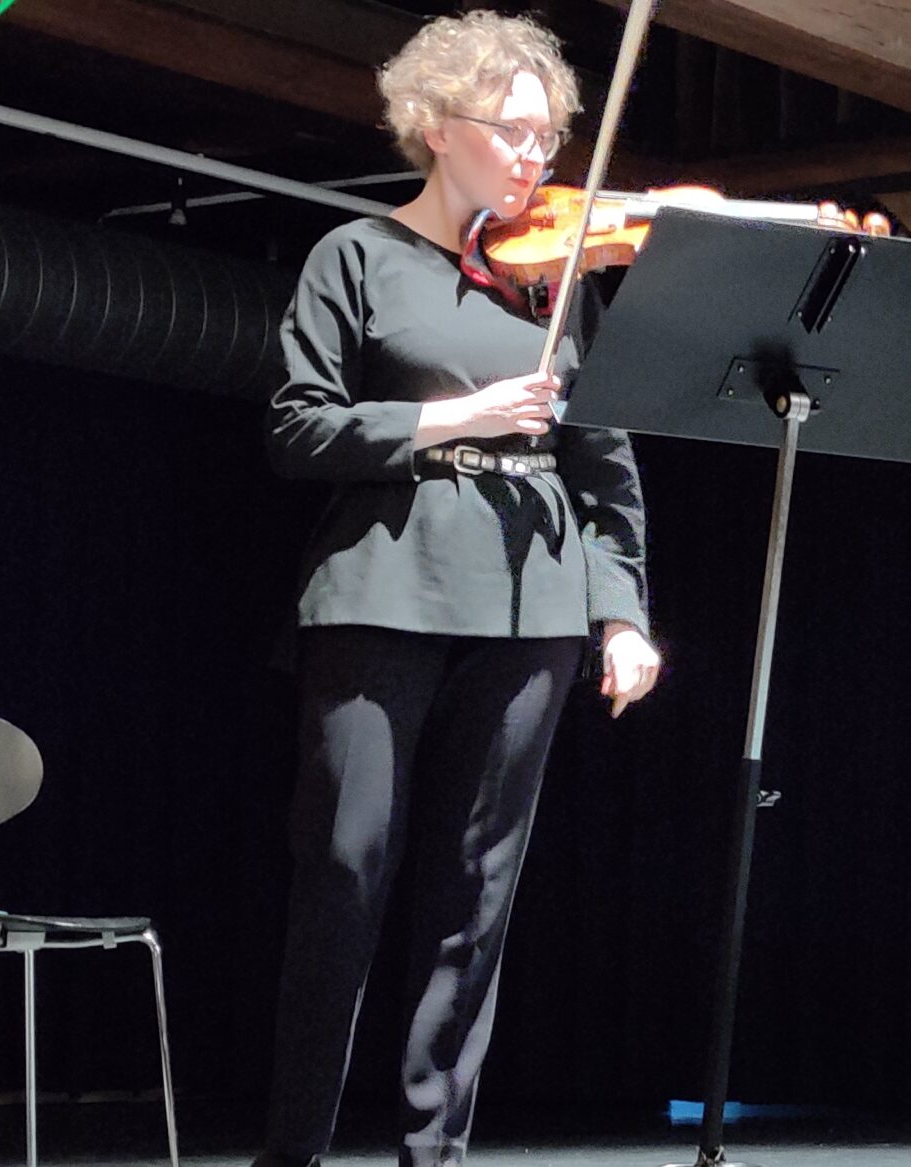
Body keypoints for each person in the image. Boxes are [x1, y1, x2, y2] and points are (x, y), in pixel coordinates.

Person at [252, 12, 660, 1166]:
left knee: (476, 893)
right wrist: (454, 418)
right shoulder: (355, 257)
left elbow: (604, 461)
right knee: (347, 866)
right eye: (511, 132)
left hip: (532, 597)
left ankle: (434, 1152)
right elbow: (296, 428)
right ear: (436, 127)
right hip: (384, 584)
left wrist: (621, 610)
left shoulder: (555, 282)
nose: (535, 157)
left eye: (547, 136)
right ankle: (292, 1148)